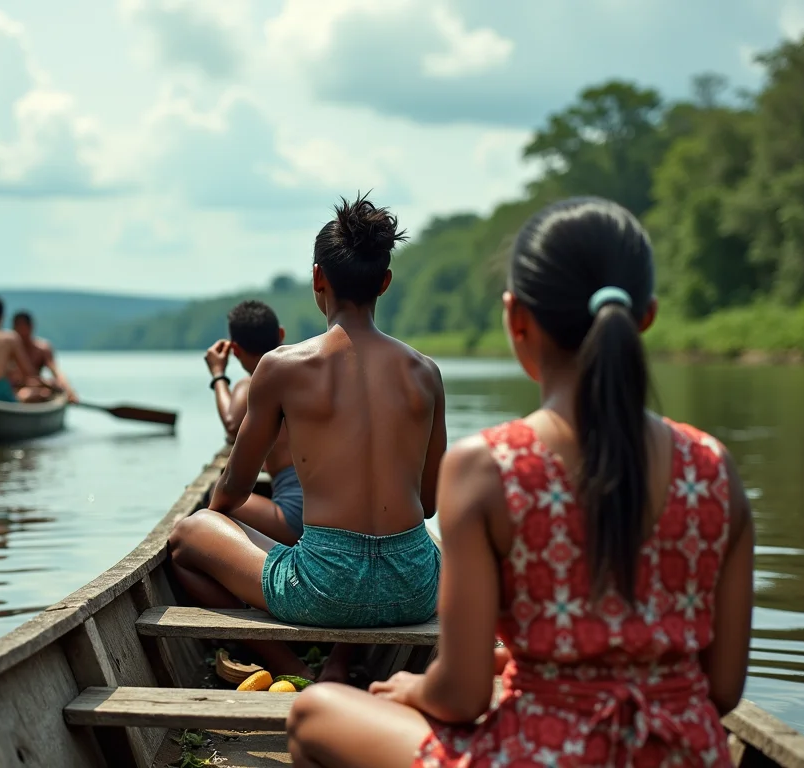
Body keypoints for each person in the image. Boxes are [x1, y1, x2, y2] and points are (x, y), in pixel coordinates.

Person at [285, 197, 754, 767]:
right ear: (646, 317)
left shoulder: (489, 467)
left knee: (316, 712)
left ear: (516, 319)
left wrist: (414, 690)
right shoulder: (714, 469)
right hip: (687, 755)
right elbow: (722, 690)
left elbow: (461, 697)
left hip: (540, 754)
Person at [168, 193, 446, 683]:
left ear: (318, 278)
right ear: (385, 282)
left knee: (188, 534)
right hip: (416, 588)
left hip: (324, 588)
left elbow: (231, 494)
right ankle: (340, 664)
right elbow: (426, 505)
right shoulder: (426, 372)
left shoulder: (282, 367)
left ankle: (291, 667)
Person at [204, 300, 302, 545]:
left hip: (294, 517)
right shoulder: (304, 376)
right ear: (281, 334)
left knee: (214, 497)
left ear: (235, 349)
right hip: (326, 511)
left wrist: (218, 375)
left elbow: (232, 424)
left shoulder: (252, 384)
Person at [10, 311, 80, 403]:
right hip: (16, 389)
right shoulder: (9, 349)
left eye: (24, 328)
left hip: (38, 388)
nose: (22, 334)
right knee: (24, 395)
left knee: (46, 391)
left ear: (31, 327)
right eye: (18, 328)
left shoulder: (42, 348)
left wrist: (69, 391)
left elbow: (56, 372)